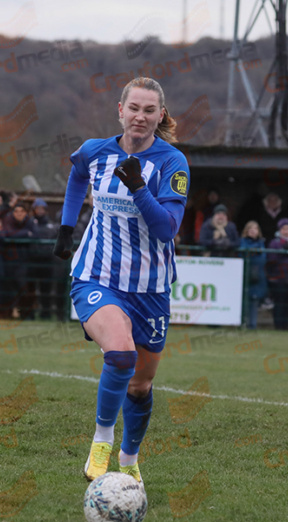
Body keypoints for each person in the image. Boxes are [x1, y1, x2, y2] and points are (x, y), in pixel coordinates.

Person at [53, 76, 190, 485]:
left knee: (141, 385)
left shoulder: (171, 163)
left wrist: (138, 188)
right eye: (134, 108)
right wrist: (65, 227)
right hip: (96, 274)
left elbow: (167, 229)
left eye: (149, 110)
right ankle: (102, 440)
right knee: (120, 355)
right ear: (120, 110)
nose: (140, 117)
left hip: (150, 288)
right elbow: (78, 174)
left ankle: (129, 458)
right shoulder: (96, 151)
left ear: (160, 115)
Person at [265, 218, 288, 330]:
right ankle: (278, 326)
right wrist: (283, 252)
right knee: (279, 303)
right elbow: (271, 259)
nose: (286, 231)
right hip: (278, 278)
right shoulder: (274, 243)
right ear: (279, 230)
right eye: (283, 229)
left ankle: (286, 326)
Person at [239, 221, 267, 329]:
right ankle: (242, 323)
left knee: (254, 300)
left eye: (255, 229)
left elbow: (263, 258)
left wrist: (251, 252)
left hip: (257, 276)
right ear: (246, 231)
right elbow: (242, 254)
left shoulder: (261, 243)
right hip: (244, 273)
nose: (253, 231)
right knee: (243, 300)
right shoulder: (242, 241)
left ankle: (252, 324)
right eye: (250, 229)